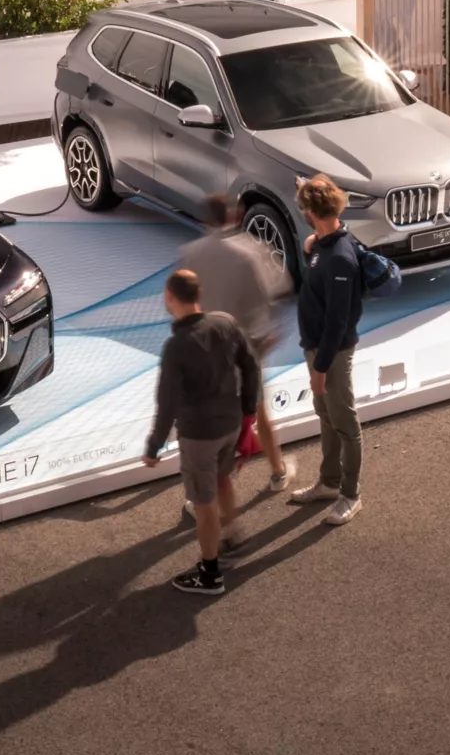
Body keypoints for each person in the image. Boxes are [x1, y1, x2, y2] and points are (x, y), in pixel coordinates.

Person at [143, 267, 262, 595]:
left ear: (170, 297)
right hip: (231, 424)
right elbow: (250, 365)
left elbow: (167, 403)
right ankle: (233, 538)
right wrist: (249, 410)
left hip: (199, 436)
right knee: (222, 479)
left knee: (204, 504)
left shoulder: (176, 346)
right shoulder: (225, 323)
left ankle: (210, 575)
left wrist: (153, 447)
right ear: (199, 294)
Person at [290, 174, 399, 524]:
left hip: (332, 352)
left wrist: (321, 368)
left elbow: (338, 322)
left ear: (311, 213)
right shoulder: (326, 243)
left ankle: (351, 495)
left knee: (345, 423)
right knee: (326, 416)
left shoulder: (338, 258)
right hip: (317, 347)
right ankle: (329, 482)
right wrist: (311, 246)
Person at [180, 195, 296, 496]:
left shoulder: (190, 254)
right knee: (260, 412)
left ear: (204, 219)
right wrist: (267, 334)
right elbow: (271, 296)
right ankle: (278, 472)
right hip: (244, 351)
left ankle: (211, 492)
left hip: (204, 351)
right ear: (232, 216)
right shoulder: (251, 251)